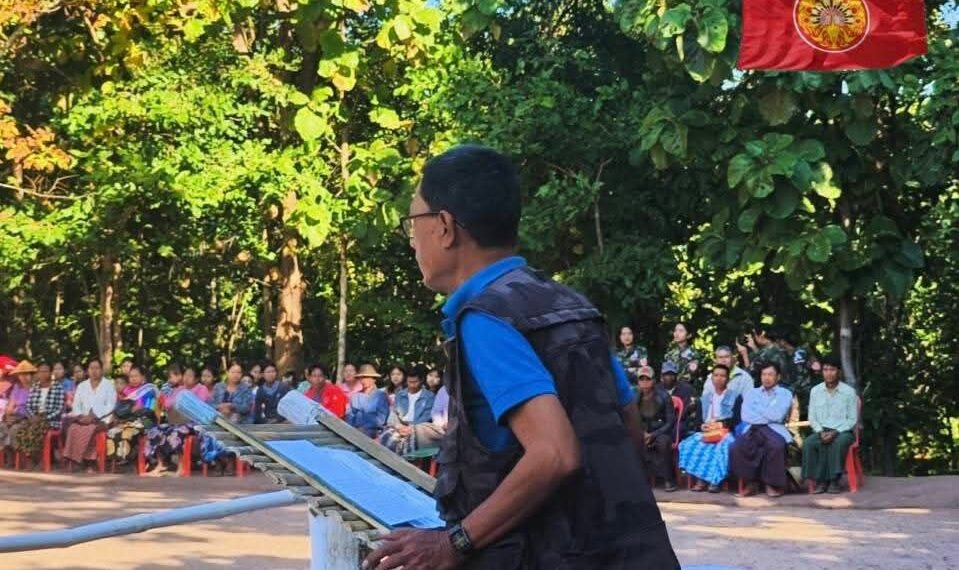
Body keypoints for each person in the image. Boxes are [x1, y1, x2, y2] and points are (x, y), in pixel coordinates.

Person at [366, 145, 677, 570]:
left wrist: (452, 544)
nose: (412, 240)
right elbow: (627, 423)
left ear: (444, 227)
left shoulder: (486, 320)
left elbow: (555, 452)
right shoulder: (570, 304)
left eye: (412, 223)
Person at [729, 361, 793, 497]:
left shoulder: (785, 393)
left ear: (778, 377)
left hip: (775, 429)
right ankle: (751, 483)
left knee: (776, 445)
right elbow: (746, 416)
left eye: (770, 374)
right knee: (736, 447)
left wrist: (757, 410)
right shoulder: (752, 393)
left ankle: (772, 485)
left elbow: (777, 416)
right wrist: (768, 411)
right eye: (764, 374)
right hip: (753, 428)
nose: (766, 378)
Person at [802, 354, 858, 494]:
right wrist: (820, 431)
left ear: (839, 372)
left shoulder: (849, 392)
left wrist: (835, 432)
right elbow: (812, 417)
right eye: (825, 370)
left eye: (832, 370)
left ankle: (834, 481)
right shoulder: (815, 391)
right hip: (821, 430)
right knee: (809, 443)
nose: (828, 373)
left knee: (837, 443)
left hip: (843, 431)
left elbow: (852, 419)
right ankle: (820, 481)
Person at [679, 364, 739, 492]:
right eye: (716, 375)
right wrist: (703, 426)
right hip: (707, 432)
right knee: (689, 444)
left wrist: (720, 424)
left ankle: (714, 481)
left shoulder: (735, 396)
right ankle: (701, 478)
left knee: (720, 447)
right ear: (711, 378)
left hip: (725, 432)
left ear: (728, 379)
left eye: (722, 376)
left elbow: (736, 419)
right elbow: (698, 422)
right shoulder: (705, 398)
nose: (719, 379)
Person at [62, 358, 116, 472]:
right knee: (72, 428)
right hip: (83, 419)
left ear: (102, 370)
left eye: (97, 368)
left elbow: (111, 405)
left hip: (102, 419)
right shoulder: (82, 386)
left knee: (90, 429)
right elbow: (76, 405)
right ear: (87, 370)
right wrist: (82, 416)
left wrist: (95, 416)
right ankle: (74, 459)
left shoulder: (108, 385)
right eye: (91, 368)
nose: (94, 371)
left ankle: (90, 462)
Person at [636, 366, 678, 492]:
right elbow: (632, 419)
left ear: (654, 381)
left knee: (663, 443)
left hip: (661, 431)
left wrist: (653, 434)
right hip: (643, 431)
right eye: (641, 379)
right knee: (629, 442)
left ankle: (669, 480)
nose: (644, 382)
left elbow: (670, 421)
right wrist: (641, 433)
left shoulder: (664, 396)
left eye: (647, 379)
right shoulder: (635, 397)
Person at [107, 365, 159, 464]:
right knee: (113, 432)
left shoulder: (149, 390)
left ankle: (148, 456)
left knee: (130, 431)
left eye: (136, 376)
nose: (133, 379)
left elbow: (152, 408)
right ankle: (122, 457)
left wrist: (140, 408)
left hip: (147, 420)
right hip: (129, 420)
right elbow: (121, 408)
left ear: (142, 377)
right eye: (131, 376)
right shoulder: (126, 391)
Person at [378, 365, 436, 455]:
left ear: (421, 381)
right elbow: (394, 413)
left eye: (415, 382)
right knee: (386, 437)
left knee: (408, 442)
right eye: (409, 382)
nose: (412, 385)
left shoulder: (429, 396)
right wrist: (398, 426)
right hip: (400, 426)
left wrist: (411, 428)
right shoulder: (400, 394)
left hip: (418, 428)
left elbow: (426, 417)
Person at [17, 362, 65, 459]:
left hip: (51, 420)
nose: (43, 374)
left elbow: (59, 409)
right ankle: (31, 456)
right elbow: (28, 405)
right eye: (40, 371)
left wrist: (44, 418)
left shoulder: (58, 387)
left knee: (35, 429)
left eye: (45, 371)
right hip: (34, 418)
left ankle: (36, 457)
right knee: (21, 429)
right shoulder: (35, 387)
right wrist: (32, 416)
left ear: (50, 372)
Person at [0, 360, 36, 456]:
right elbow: (11, 404)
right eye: (21, 374)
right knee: (2, 427)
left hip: (28, 418)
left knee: (14, 429)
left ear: (31, 375)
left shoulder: (35, 388)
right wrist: (9, 412)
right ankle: (9, 456)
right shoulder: (17, 387)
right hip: (15, 416)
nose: (23, 377)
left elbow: (32, 408)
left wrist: (16, 412)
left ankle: (18, 455)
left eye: (26, 374)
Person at [345, 364, 389, 437]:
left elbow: (382, 419)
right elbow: (350, 416)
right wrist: (351, 428)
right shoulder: (355, 396)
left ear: (374, 379)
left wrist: (365, 427)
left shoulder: (380, 396)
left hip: (373, 430)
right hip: (355, 429)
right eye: (361, 378)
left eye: (366, 377)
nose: (363, 380)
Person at [661, 361, 696, 439]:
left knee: (677, 430)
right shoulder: (657, 389)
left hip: (679, 422)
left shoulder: (686, 389)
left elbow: (685, 411)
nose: (670, 377)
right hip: (662, 422)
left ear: (676, 375)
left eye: (672, 374)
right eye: (667, 374)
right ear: (662, 376)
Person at [663, 322, 702, 389]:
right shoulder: (669, 353)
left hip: (688, 388)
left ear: (689, 335)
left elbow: (693, 374)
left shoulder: (694, 354)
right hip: (671, 388)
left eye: (681, 331)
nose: (677, 333)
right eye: (675, 330)